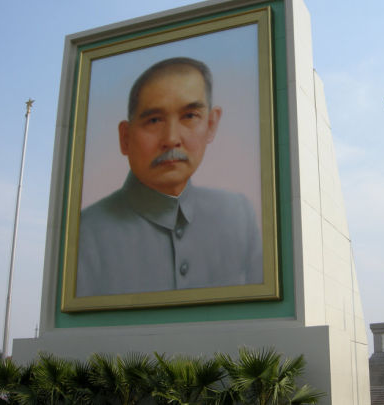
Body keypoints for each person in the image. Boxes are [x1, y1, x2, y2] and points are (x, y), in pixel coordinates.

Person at [76, 57, 262, 297]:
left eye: (189, 116)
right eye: (154, 120)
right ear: (125, 137)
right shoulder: (86, 234)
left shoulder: (237, 216)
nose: (172, 138)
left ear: (212, 124)